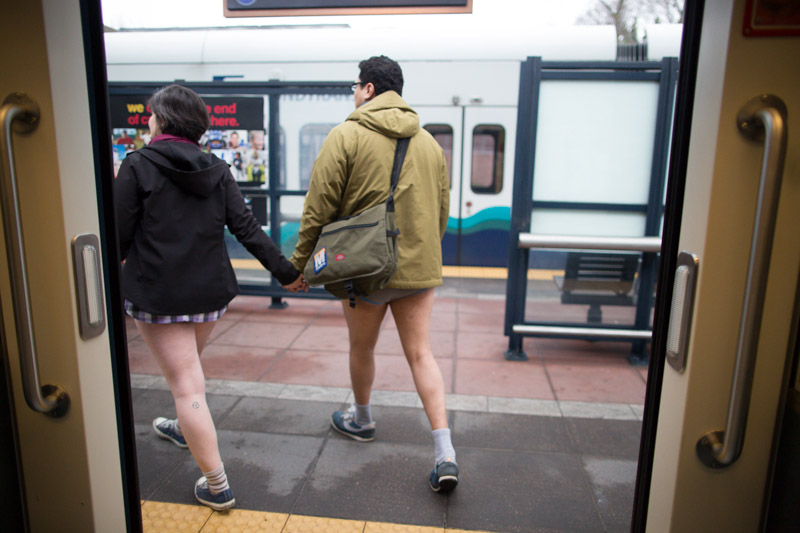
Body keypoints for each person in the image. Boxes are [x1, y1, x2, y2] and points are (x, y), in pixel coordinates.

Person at [115, 84, 307, 511]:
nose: (147, 121)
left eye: (150, 115)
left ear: (162, 120)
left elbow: (119, 237)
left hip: (159, 295)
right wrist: (286, 274)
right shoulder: (217, 169)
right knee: (190, 373)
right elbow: (247, 229)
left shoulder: (137, 166)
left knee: (187, 385)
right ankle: (187, 428)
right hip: (208, 294)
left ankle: (217, 484)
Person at [289, 56, 457, 492]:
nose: (353, 93)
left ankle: (361, 420)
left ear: (367, 89)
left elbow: (319, 205)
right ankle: (445, 452)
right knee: (421, 354)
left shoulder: (345, 134)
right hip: (418, 270)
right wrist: (420, 257)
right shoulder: (430, 144)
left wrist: (300, 264)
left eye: (354, 86)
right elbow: (441, 212)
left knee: (361, 347)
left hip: (364, 269)